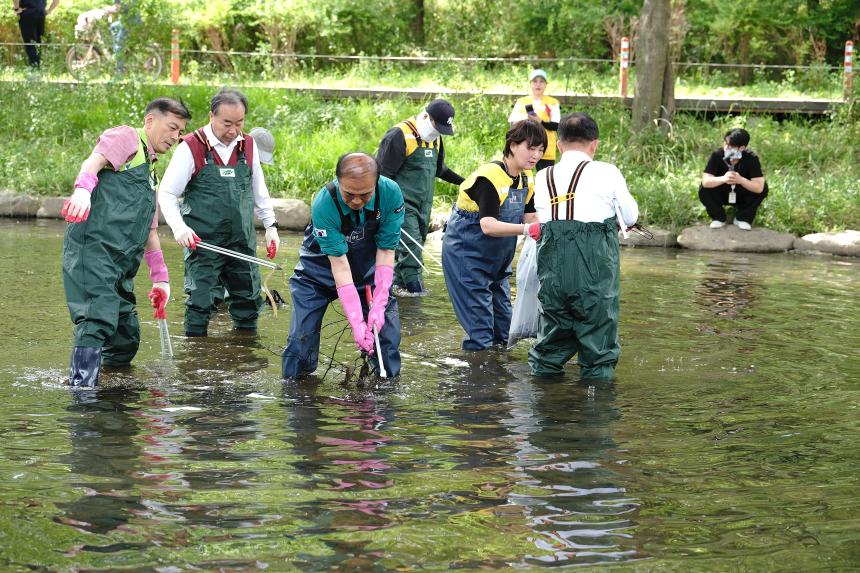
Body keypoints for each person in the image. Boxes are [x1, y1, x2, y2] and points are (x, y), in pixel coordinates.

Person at [62, 97, 191, 387]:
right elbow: (93, 161)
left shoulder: (151, 171)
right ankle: (81, 392)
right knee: (96, 319)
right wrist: (82, 191)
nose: (175, 137)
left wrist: (161, 280)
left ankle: (113, 394)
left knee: (125, 336)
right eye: (172, 127)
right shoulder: (126, 137)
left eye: (181, 131)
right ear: (150, 121)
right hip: (93, 252)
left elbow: (151, 231)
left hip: (122, 266)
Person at [158, 88, 280, 337]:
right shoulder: (191, 147)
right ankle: (195, 354)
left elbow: (260, 192)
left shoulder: (249, 145)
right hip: (203, 244)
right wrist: (179, 228)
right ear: (211, 116)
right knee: (200, 303)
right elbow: (167, 194)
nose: (233, 130)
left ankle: (246, 351)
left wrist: (271, 227)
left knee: (248, 301)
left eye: (239, 123)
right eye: (227, 123)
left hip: (242, 243)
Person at [527, 112, 638, 379]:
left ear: (559, 145)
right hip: (594, 271)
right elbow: (630, 217)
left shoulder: (543, 176)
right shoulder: (607, 172)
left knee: (550, 340)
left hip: (553, 271)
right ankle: (595, 400)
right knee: (598, 341)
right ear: (594, 144)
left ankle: (544, 395)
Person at [282, 153, 405, 379]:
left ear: (376, 183)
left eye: (365, 195)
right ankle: (297, 391)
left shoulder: (390, 193)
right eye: (349, 194)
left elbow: (387, 251)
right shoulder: (324, 202)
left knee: (386, 339)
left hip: (366, 273)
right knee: (301, 340)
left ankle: (385, 389)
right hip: (317, 273)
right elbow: (339, 264)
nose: (357, 201)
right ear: (338, 181)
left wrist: (379, 303)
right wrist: (356, 321)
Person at [441, 119, 546, 351]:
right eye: (531, 148)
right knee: (481, 337)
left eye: (540, 150)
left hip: (498, 264)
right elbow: (488, 225)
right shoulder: (489, 177)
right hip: (467, 260)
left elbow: (530, 216)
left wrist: (550, 228)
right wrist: (527, 230)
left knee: (505, 333)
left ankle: (497, 371)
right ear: (512, 145)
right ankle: (478, 371)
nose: (536, 155)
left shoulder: (526, 178)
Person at [376, 98, 463, 296]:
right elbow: (381, 176)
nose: (438, 132)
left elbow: (440, 170)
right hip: (400, 206)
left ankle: (396, 294)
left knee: (409, 251)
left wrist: (466, 182)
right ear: (426, 117)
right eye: (437, 126)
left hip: (424, 207)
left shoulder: (436, 139)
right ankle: (417, 298)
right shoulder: (399, 135)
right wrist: (381, 210)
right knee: (412, 253)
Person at [212, 126, 277, 308]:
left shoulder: (251, 168)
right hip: (212, 233)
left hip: (240, 236)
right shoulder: (220, 155)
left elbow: (260, 197)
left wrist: (271, 227)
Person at [699, 128, 768, 231]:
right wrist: (723, 178)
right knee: (704, 189)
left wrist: (741, 180)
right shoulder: (717, 155)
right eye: (726, 144)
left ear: (742, 148)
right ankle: (718, 217)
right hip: (721, 190)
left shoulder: (751, 158)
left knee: (763, 188)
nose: (726, 148)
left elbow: (759, 187)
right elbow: (706, 181)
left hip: (742, 192)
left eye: (731, 146)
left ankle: (743, 218)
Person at [508, 69, 560, 172]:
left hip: (546, 149)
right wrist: (527, 120)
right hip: (524, 147)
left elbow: (556, 125)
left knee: (545, 176)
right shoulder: (522, 102)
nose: (538, 84)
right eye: (535, 81)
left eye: (541, 81)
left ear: (546, 84)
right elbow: (513, 124)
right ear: (530, 84)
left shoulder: (553, 102)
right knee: (523, 177)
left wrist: (540, 122)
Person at [12, 0, 59, 67]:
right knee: (38, 43)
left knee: (30, 43)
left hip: (27, 12)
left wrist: (16, 8)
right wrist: (49, 10)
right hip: (41, 13)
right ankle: (38, 66)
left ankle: (34, 67)